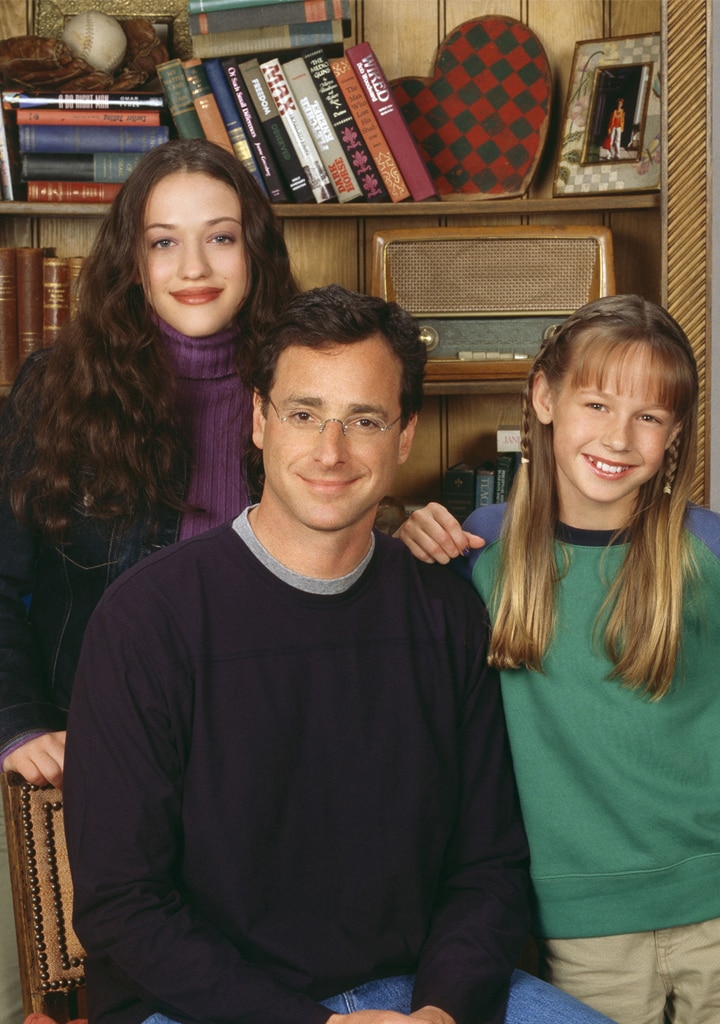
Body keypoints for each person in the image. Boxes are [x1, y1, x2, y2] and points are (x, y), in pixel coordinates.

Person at [63, 285, 616, 1024]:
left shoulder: (447, 614)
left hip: (415, 990)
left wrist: (442, 1010)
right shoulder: (145, 620)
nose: (331, 451)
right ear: (259, 420)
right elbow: (122, 905)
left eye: (364, 420)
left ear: (405, 436)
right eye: (304, 414)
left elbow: (488, 866)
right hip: (204, 1005)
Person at [0, 137, 297, 1022]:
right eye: (164, 241)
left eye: (220, 238)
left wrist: (415, 525)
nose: (192, 268)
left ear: (256, 249)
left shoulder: (301, 387)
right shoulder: (58, 388)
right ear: (132, 258)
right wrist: (18, 722)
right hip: (99, 765)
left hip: (262, 768)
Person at [396, 294, 720, 1024]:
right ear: (545, 398)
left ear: (675, 432)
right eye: (597, 404)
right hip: (584, 927)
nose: (619, 437)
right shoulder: (479, 551)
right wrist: (407, 541)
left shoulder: (708, 549)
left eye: (649, 416)